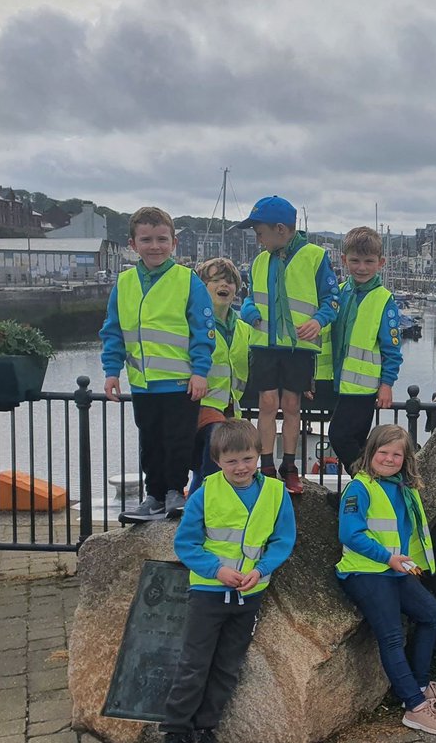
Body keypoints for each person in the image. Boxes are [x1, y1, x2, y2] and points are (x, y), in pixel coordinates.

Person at [157, 419, 296, 743]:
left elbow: (282, 540)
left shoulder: (276, 493)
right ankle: (174, 738)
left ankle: (204, 732)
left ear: (259, 455)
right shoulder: (205, 493)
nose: (241, 467)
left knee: (226, 666)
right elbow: (186, 544)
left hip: (250, 592)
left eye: (248, 458)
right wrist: (216, 570)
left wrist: (262, 568)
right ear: (218, 461)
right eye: (232, 461)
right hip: (209, 590)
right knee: (193, 664)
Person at [336, 425, 436, 735]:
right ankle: (415, 708)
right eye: (383, 452)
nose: (389, 459)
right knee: (391, 635)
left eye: (397, 454)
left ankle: (418, 683)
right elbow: (350, 533)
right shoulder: (359, 488)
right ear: (369, 453)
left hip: (396, 570)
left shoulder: (404, 487)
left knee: (431, 615)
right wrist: (387, 558)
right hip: (366, 572)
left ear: (405, 459)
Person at [100, 206, 214, 522]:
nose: (155, 246)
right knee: (150, 441)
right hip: (143, 383)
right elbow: (112, 331)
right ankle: (153, 496)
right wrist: (112, 371)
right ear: (133, 244)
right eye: (147, 239)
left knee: (178, 441)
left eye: (162, 239)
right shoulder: (123, 283)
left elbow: (203, 333)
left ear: (173, 243)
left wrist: (200, 372)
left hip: (180, 382)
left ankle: (175, 493)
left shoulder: (187, 280)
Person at [237, 196, 339, 494]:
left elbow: (332, 299)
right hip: (264, 344)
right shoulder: (259, 261)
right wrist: (248, 312)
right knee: (267, 403)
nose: (258, 240)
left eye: (260, 233)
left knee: (292, 404)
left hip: (299, 346)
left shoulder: (315, 257)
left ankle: (290, 466)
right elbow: (248, 298)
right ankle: (266, 465)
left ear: (280, 229)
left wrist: (319, 321)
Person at [327, 226, 403, 479]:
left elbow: (392, 349)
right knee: (356, 443)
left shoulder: (384, 300)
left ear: (381, 263)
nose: (361, 267)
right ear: (344, 260)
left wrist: (387, 384)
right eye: (355, 261)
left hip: (363, 386)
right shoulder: (338, 293)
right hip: (335, 382)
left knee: (339, 436)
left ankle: (371, 481)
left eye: (369, 261)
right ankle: (364, 490)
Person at [191, 258, 252, 490]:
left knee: (225, 461)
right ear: (202, 287)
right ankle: (200, 502)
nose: (223, 285)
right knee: (214, 456)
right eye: (215, 280)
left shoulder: (244, 329)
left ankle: (204, 501)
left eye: (229, 281)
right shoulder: (193, 324)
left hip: (230, 410)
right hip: (198, 407)